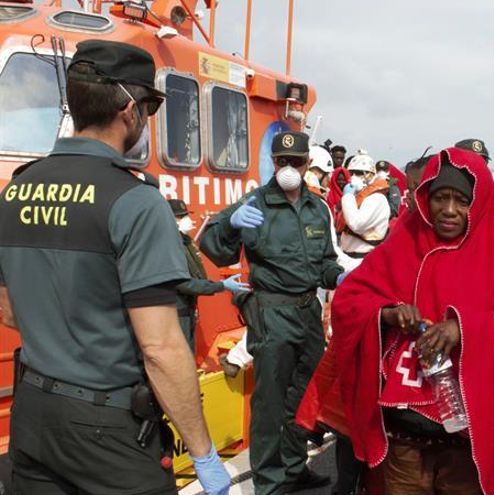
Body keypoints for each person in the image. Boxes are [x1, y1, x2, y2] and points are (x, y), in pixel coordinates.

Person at [0, 40, 230, 494]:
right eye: (149, 107)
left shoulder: (14, 193)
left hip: (34, 417)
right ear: (130, 110)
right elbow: (161, 348)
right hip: (107, 430)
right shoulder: (135, 202)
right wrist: (203, 453)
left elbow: (8, 310)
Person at [330, 148, 494, 495]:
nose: (448, 210)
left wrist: (463, 328)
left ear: (476, 205)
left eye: (461, 200)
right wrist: (386, 312)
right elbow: (349, 300)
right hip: (404, 435)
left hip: (468, 438)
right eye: (440, 198)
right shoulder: (402, 243)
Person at [200, 130, 343, 494]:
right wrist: (229, 226)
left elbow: (325, 261)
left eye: (296, 162)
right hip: (273, 313)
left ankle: (294, 468)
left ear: (307, 164)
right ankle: (270, 483)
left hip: (308, 311)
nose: (289, 168)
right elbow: (213, 247)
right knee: (270, 403)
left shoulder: (317, 207)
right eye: (283, 161)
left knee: (306, 394)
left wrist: (341, 276)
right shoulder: (255, 204)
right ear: (274, 163)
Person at [169, 199, 251, 351]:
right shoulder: (170, 246)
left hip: (188, 309)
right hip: (177, 313)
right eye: (180, 217)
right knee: (182, 352)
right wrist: (221, 285)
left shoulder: (186, 243)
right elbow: (182, 283)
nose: (186, 220)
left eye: (186, 215)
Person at [338, 151, 391, 258]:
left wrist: (348, 197)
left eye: (358, 173)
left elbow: (357, 224)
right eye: (351, 173)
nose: (353, 177)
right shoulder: (358, 196)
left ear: (370, 175)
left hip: (363, 257)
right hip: (347, 256)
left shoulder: (377, 198)